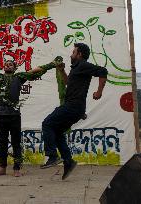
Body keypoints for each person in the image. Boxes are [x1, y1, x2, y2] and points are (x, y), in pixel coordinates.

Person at [0, 57, 63, 177]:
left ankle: (16, 168)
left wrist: (52, 64)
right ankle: (2, 168)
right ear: (4, 67)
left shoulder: (19, 77)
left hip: (14, 116)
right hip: (1, 115)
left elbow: (35, 71)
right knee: (2, 142)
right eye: (6, 64)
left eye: (10, 64)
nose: (8, 65)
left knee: (16, 142)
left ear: (14, 68)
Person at [40, 43, 108, 180]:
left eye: (73, 52)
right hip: (75, 107)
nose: (71, 54)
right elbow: (68, 83)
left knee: (47, 124)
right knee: (57, 132)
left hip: (73, 106)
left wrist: (99, 92)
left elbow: (103, 71)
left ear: (79, 54)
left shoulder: (83, 65)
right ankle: (69, 161)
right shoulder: (77, 68)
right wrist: (61, 71)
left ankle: (52, 156)